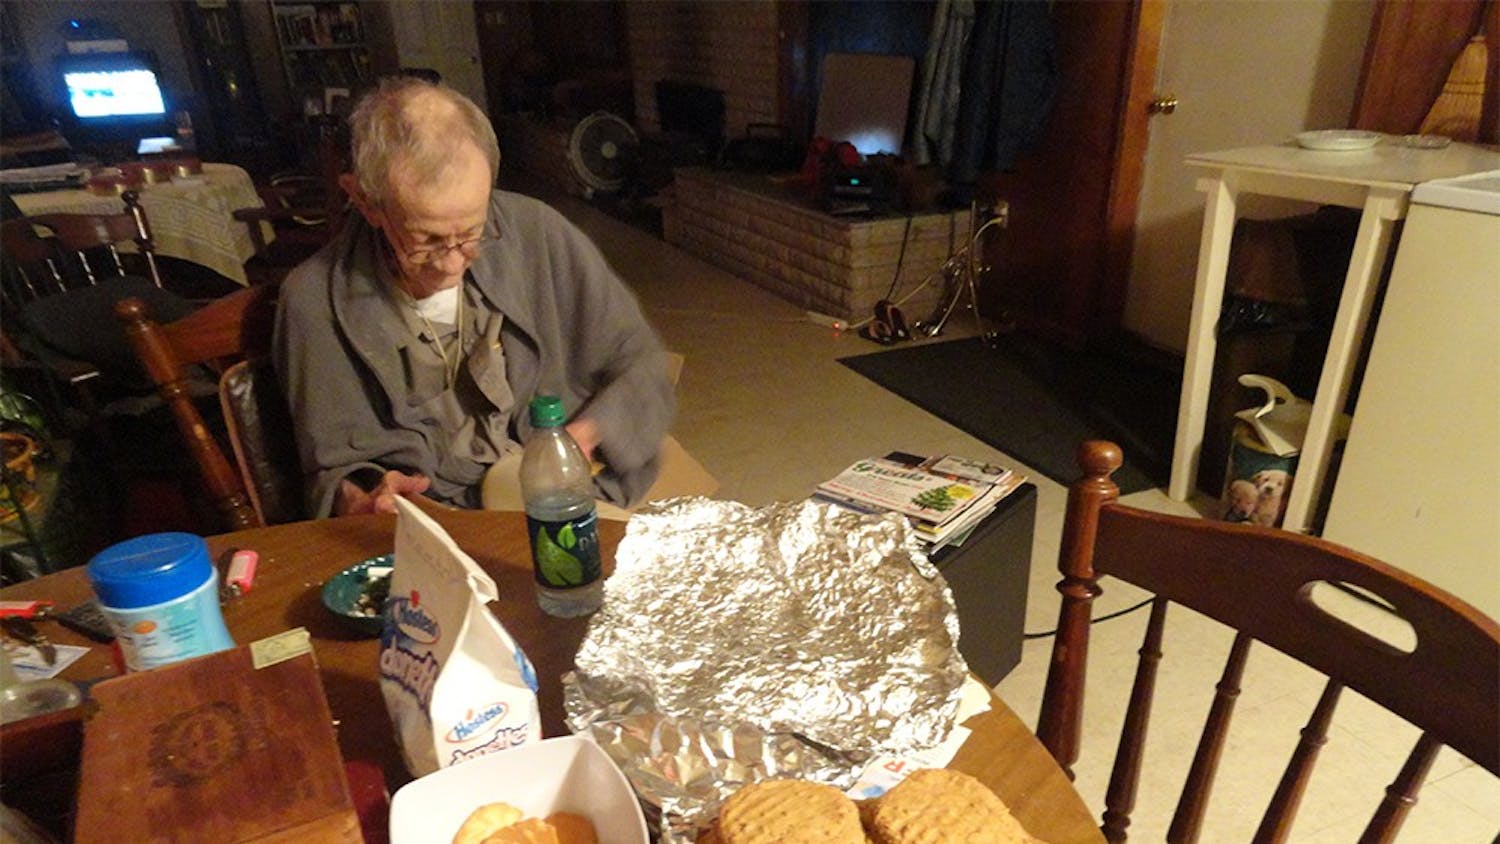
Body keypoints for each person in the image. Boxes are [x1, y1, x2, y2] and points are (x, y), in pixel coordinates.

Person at [273, 77, 674, 517]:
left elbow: (642, 362)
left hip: (570, 492)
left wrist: (585, 435)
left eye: (471, 233)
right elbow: (332, 471)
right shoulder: (313, 301)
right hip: (444, 521)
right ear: (366, 201)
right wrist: (364, 498)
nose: (451, 264)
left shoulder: (537, 232)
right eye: (426, 239)